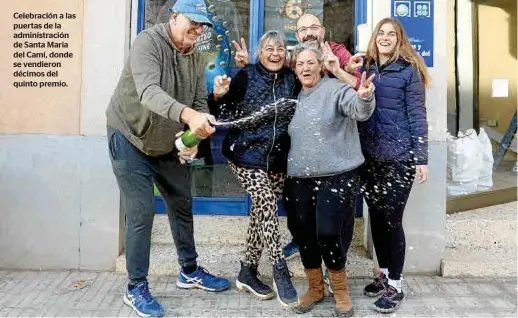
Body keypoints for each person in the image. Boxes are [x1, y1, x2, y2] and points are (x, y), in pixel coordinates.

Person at [105, 1, 230, 317]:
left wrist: (194, 141)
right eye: (193, 22)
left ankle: (189, 271)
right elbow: (148, 92)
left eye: (203, 26)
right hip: (129, 136)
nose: (198, 30)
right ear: (175, 17)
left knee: (182, 202)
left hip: (165, 144)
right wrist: (188, 116)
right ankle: (136, 288)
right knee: (142, 211)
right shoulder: (147, 42)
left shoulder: (197, 59)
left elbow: (200, 104)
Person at [208, 30, 300, 308]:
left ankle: (247, 271)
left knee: (261, 212)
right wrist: (217, 95)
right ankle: (279, 269)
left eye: (280, 49)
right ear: (260, 53)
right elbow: (221, 108)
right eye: (269, 48)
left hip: (276, 161)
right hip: (245, 157)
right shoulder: (246, 76)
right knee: (266, 202)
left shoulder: (291, 80)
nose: (275, 53)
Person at [284, 44, 375, 316]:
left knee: (329, 234)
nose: (306, 68)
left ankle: (341, 290)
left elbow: (359, 110)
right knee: (303, 235)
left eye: (311, 62)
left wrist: (365, 97)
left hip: (337, 175)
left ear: (322, 66)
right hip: (299, 178)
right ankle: (314, 288)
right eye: (300, 64)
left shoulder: (336, 89)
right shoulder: (293, 96)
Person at [356, 17, 430, 314]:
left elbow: (417, 115)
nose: (385, 38)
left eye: (391, 34)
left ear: (399, 40)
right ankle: (384, 275)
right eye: (381, 33)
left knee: (391, 220)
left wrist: (421, 158)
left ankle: (396, 285)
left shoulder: (409, 71)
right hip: (370, 157)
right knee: (376, 217)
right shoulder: (367, 69)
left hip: (399, 158)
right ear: (375, 38)